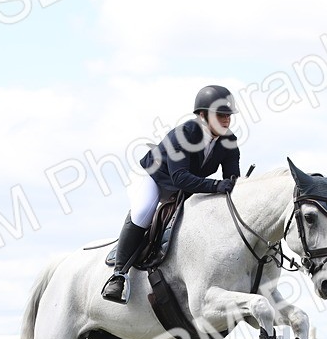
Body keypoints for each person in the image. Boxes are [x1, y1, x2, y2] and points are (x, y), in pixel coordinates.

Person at [101, 84, 242, 304]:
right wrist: (216, 186)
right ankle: (118, 276)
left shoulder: (228, 141)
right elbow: (180, 178)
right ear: (203, 116)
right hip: (154, 177)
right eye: (220, 115)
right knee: (143, 212)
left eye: (228, 116)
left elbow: (233, 180)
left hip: (186, 184)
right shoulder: (184, 134)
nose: (226, 120)